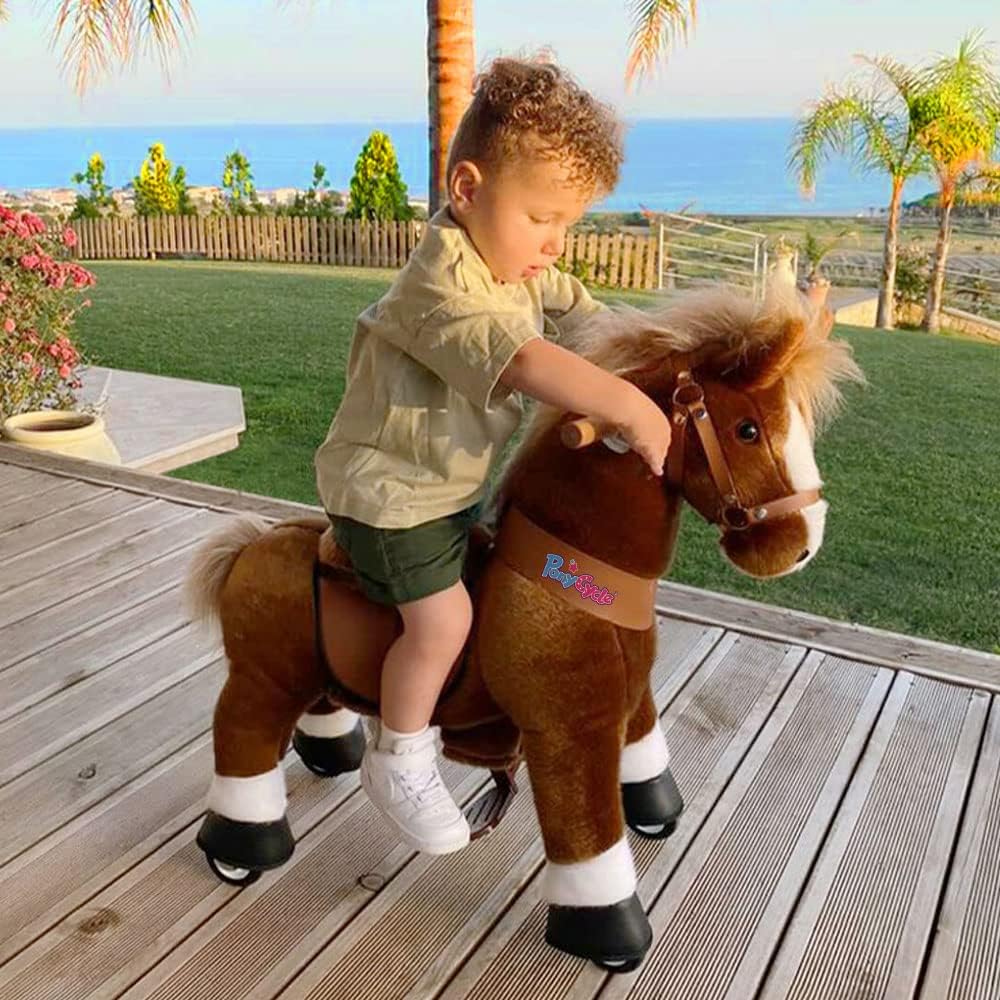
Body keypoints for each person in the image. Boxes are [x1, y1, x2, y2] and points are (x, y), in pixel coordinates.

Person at [315, 55, 671, 855]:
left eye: (568, 224)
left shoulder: (513, 264)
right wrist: (624, 405)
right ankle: (401, 756)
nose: (555, 243)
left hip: (451, 491)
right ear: (468, 190)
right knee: (443, 621)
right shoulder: (440, 287)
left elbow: (582, 317)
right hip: (392, 499)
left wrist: (648, 358)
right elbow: (524, 361)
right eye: (542, 217)